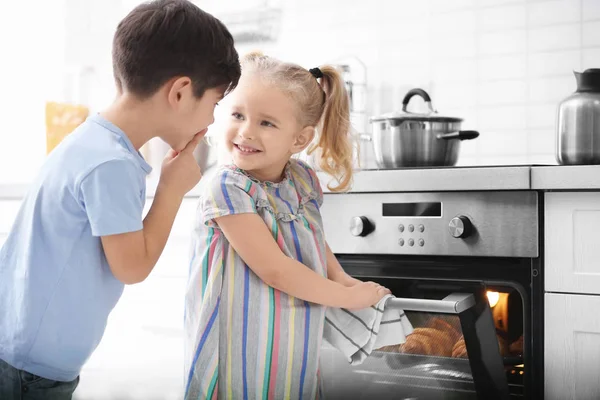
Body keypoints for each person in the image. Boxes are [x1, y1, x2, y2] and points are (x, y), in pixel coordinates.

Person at [0, 1, 240, 399]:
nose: (212, 121)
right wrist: (170, 190)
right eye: (213, 105)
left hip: (19, 350)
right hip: (31, 370)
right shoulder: (113, 164)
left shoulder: (91, 140)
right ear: (181, 91)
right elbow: (132, 267)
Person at [184, 52, 390, 400]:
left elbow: (313, 239)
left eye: (266, 123)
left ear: (300, 139)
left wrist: (342, 278)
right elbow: (275, 269)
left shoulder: (302, 179)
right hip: (238, 344)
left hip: (292, 337)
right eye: (237, 114)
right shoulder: (228, 186)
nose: (246, 131)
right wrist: (344, 296)